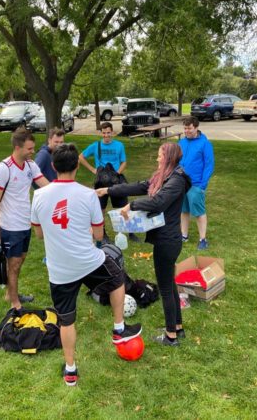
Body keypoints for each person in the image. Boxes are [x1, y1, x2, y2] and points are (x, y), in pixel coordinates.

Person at [31, 143, 142, 385]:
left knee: (66, 320)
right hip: (88, 261)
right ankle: (119, 328)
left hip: (59, 269)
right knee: (117, 279)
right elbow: (100, 235)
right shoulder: (88, 194)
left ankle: (70, 370)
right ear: (76, 167)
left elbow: (39, 235)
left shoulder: (38, 195)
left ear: (53, 167)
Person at [97, 142, 191, 346]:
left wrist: (132, 205)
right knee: (170, 285)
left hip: (168, 241)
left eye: (159, 156)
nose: (157, 159)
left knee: (165, 288)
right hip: (165, 239)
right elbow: (140, 186)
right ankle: (178, 328)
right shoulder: (164, 176)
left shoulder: (176, 180)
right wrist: (109, 190)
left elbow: (159, 202)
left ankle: (170, 337)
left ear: (169, 158)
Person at [0, 127, 49, 309]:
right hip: (9, 226)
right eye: (29, 149)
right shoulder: (3, 169)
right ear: (17, 147)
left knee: (19, 261)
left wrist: (65, 190)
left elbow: (45, 185)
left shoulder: (31, 165)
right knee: (13, 264)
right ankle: (15, 302)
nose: (33, 152)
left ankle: (10, 293)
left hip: (25, 224)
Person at [78, 122, 138, 243]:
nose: (106, 136)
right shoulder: (96, 146)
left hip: (116, 180)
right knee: (101, 209)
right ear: (101, 133)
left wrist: (118, 173)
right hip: (101, 182)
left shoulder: (119, 145)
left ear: (112, 132)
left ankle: (130, 232)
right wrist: (93, 170)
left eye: (108, 133)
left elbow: (124, 162)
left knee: (123, 207)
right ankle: (103, 233)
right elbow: (80, 157)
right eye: (104, 133)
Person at [178, 117, 214, 250]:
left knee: (198, 212)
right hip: (182, 183)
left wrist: (202, 185)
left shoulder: (205, 144)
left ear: (196, 127)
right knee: (183, 210)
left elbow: (209, 165)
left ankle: (203, 239)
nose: (186, 131)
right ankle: (184, 235)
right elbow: (177, 160)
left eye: (189, 128)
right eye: (185, 128)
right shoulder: (181, 142)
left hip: (196, 184)